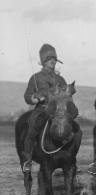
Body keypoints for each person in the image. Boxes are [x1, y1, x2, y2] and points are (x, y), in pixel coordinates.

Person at [22, 43, 68, 173]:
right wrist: (34, 99)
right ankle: (27, 159)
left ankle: (69, 159)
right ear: (43, 61)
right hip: (41, 110)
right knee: (32, 128)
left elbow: (67, 96)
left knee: (73, 129)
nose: (52, 61)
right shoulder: (35, 78)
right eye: (49, 59)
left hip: (58, 111)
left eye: (54, 59)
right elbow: (27, 96)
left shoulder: (60, 79)